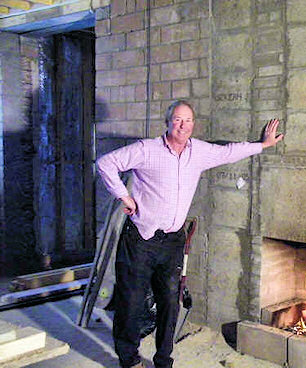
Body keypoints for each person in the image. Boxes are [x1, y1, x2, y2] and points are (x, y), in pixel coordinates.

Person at [96, 100, 283, 368]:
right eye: (177, 120)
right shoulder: (147, 150)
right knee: (131, 301)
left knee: (170, 303)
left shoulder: (199, 152)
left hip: (173, 239)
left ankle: (163, 360)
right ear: (168, 121)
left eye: (188, 121)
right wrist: (123, 196)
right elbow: (106, 163)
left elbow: (228, 152)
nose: (183, 125)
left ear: (193, 124)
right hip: (140, 237)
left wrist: (263, 145)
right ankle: (129, 359)